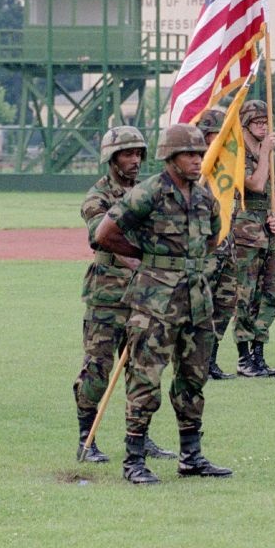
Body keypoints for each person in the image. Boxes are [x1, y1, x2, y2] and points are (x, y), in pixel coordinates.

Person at [95, 123, 232, 485]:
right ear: (170, 158)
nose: (197, 160)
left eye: (200, 154)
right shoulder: (149, 193)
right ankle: (134, 460)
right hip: (155, 302)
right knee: (145, 380)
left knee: (193, 379)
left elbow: (213, 240)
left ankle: (191, 457)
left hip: (196, 301)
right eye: (189, 154)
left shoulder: (204, 198)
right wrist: (144, 257)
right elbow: (104, 234)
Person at [72, 126, 176, 464]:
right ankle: (86, 439)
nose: (134, 160)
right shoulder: (97, 197)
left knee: (143, 369)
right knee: (98, 367)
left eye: (137, 154)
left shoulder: (148, 193)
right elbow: (103, 237)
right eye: (126, 154)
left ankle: (140, 437)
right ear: (111, 158)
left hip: (145, 294)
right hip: (107, 294)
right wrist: (140, 259)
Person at [231, 99, 275, 377]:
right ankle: (243, 357)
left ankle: (259, 353)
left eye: (266, 122)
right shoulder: (236, 152)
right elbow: (254, 184)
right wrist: (264, 153)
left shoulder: (270, 153)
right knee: (245, 294)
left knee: (271, 293)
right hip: (245, 231)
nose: (263, 127)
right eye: (257, 122)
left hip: (268, 230)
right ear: (245, 124)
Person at [197, 107, 238, 381]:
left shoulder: (228, 164)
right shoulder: (194, 169)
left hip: (227, 246)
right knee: (201, 306)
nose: (221, 140)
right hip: (203, 250)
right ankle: (195, 362)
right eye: (216, 135)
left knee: (226, 303)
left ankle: (211, 359)